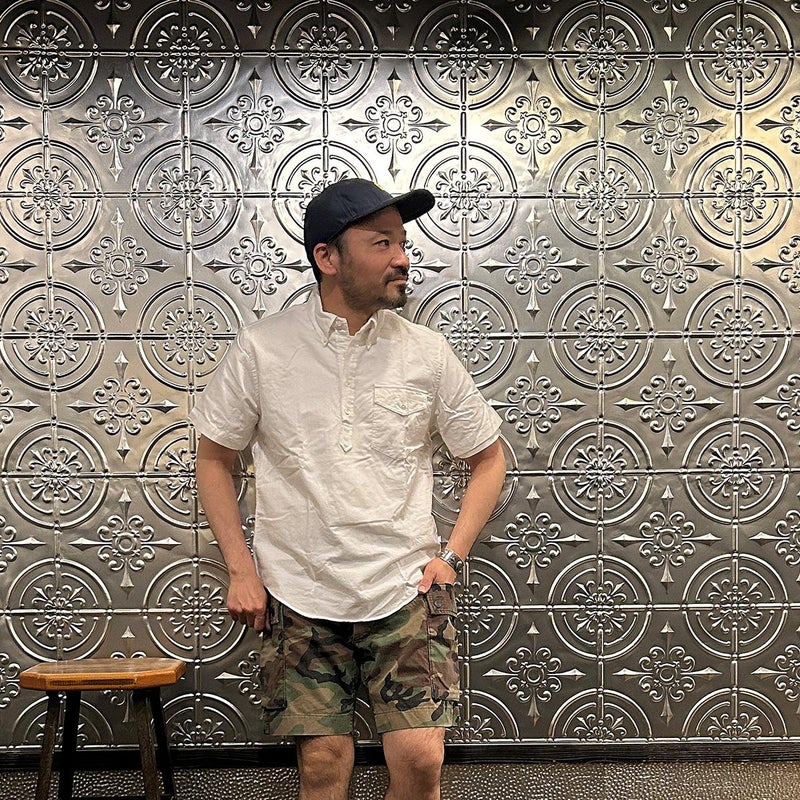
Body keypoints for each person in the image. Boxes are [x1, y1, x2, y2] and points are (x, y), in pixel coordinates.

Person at [192, 178, 506, 800]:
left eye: (403, 242)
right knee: (322, 765)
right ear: (327, 257)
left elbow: (489, 459)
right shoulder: (263, 349)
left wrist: (452, 555)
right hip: (298, 589)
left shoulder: (427, 353)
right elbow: (213, 459)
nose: (403, 258)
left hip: (405, 587)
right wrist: (241, 570)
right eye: (382, 243)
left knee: (420, 760)